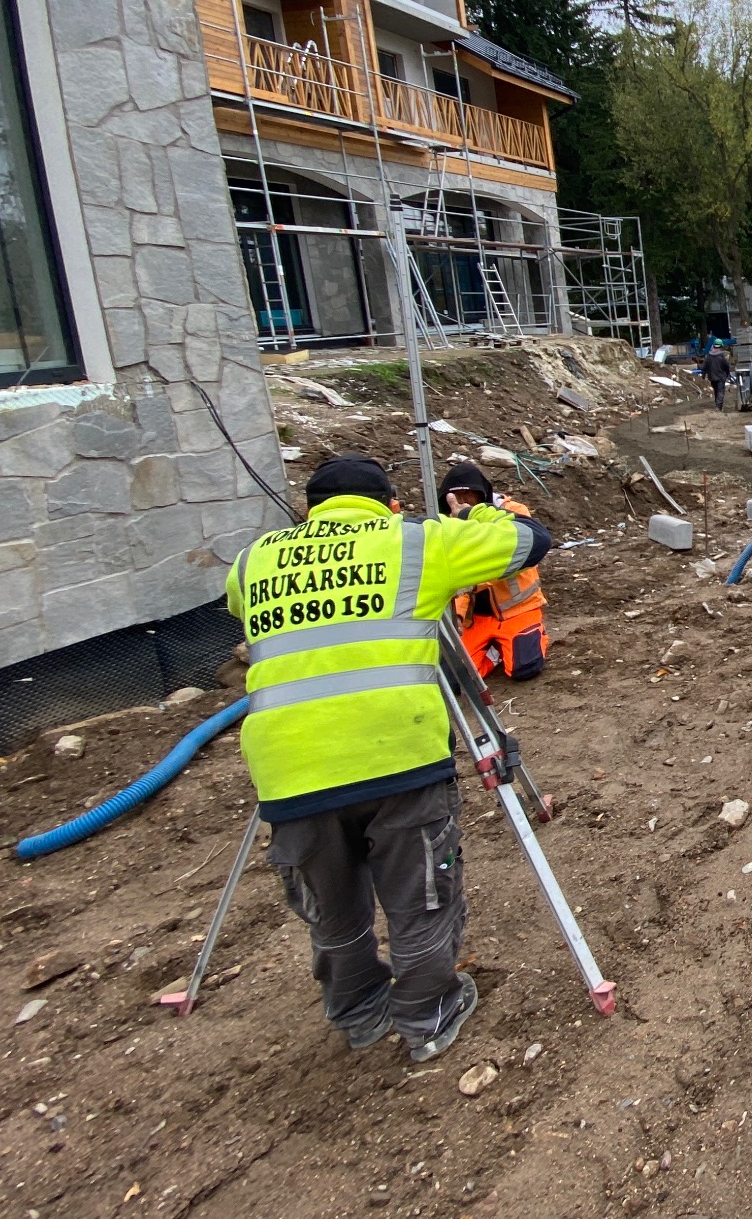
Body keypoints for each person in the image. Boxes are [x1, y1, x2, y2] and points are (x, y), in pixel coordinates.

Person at [225, 453, 552, 1063]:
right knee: (419, 893)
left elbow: (246, 616)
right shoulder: (414, 544)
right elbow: (532, 540)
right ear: (393, 507)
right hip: (397, 754)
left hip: (289, 768)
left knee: (332, 903)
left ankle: (357, 1012)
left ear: (307, 511)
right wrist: (470, 514)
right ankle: (427, 1014)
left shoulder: (254, 560)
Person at [439, 462, 548, 680]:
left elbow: (511, 559)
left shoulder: (513, 513)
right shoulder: (448, 526)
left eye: (467, 495)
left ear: (480, 494)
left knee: (524, 669)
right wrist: (458, 614)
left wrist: (472, 519)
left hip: (518, 610)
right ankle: (495, 650)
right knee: (458, 678)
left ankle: (534, 635)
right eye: (456, 497)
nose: (461, 502)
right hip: (476, 616)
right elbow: (455, 579)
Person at [702, 342, 734, 411]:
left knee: (716, 390)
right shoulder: (722, 356)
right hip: (721, 377)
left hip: (712, 377)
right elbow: (727, 366)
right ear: (721, 347)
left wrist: (703, 375)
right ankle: (718, 406)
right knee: (720, 391)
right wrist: (728, 374)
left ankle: (717, 404)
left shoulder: (708, 356)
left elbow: (704, 366)